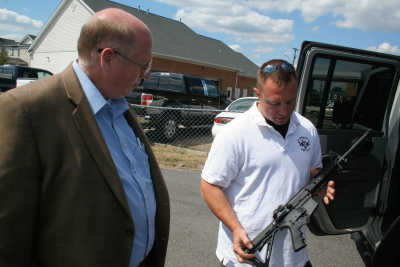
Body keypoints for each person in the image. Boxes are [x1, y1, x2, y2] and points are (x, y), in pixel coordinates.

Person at [0, 8, 169, 267]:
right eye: (143, 65)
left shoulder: (119, 103)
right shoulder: (25, 109)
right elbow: (9, 229)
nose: (146, 75)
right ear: (108, 58)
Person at [201, 59, 335, 267]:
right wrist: (235, 228)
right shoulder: (235, 134)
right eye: (275, 103)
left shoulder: (307, 130)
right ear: (258, 93)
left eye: (290, 101)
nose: (284, 111)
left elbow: (309, 171)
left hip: (294, 257)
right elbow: (210, 185)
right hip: (246, 256)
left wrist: (320, 184)